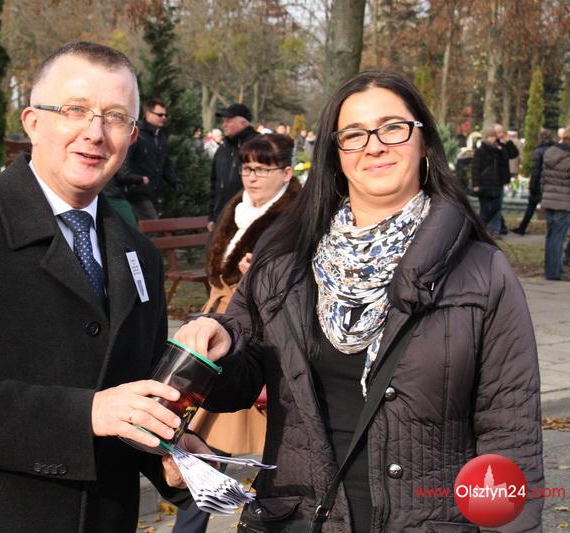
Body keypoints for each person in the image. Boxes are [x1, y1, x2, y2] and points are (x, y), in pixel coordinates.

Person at [172, 71, 543, 531]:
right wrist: (218, 345)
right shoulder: (285, 260)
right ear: (335, 154)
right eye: (354, 134)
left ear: (423, 141)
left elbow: (510, 432)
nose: (374, 146)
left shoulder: (481, 271)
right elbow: (237, 387)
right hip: (302, 518)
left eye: (392, 128)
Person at [0, 41, 195, 532]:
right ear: (32, 122)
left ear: (133, 135)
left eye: (115, 118)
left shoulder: (139, 254)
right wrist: (85, 414)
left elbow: (131, 400)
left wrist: (171, 457)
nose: (94, 133)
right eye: (75, 110)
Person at [172, 134, 300, 533]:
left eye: (262, 169)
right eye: (246, 168)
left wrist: (258, 277)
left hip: (255, 336)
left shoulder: (295, 218)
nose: (252, 177)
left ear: (286, 173)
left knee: (220, 437)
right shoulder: (238, 208)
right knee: (205, 434)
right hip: (217, 326)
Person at [119, 97, 183, 220]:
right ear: (148, 114)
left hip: (154, 193)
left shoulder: (160, 136)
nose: (164, 118)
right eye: (160, 115)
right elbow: (124, 162)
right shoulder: (136, 134)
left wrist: (175, 182)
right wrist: (134, 179)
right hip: (136, 193)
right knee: (153, 225)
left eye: (165, 115)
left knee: (150, 227)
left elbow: (165, 163)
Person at [209, 103, 259, 230]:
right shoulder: (222, 148)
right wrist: (212, 217)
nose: (224, 125)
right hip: (221, 219)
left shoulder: (259, 146)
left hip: (249, 221)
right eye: (224, 121)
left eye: (228, 121)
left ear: (243, 122)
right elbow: (214, 184)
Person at [540, 126, 570, 280]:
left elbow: (543, 178)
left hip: (549, 199)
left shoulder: (550, 152)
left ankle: (553, 269)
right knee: (558, 237)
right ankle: (554, 272)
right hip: (564, 202)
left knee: (551, 236)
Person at [514, 128, 554, 235]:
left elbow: (536, 170)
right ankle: (552, 231)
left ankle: (522, 228)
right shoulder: (554, 150)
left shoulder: (539, 151)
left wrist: (532, 185)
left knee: (531, 206)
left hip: (538, 183)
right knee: (550, 209)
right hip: (550, 183)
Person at [472, 127, 509, 235]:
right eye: (491, 137)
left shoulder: (498, 150)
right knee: (485, 209)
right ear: (486, 137)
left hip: (496, 183)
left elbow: (506, 161)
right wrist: (476, 184)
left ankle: (491, 229)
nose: (493, 139)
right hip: (484, 184)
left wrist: (502, 148)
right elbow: (475, 168)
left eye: (494, 136)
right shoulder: (480, 151)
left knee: (496, 207)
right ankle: (481, 230)